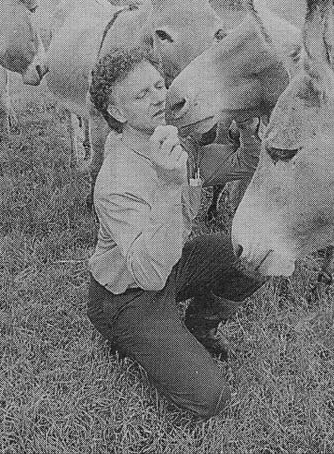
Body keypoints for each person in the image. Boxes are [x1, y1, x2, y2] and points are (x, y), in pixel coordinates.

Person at [85, 46, 267, 419]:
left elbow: (243, 163)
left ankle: (200, 327)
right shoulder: (116, 182)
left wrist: (249, 132)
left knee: (254, 253)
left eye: (159, 85)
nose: (159, 98)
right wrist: (170, 185)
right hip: (128, 296)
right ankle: (129, 337)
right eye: (142, 94)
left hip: (171, 266)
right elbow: (149, 276)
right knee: (210, 399)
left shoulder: (176, 142)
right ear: (118, 113)